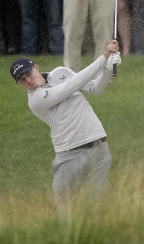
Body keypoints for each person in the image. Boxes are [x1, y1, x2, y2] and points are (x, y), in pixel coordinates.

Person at [10, 38, 121, 208]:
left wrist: (107, 69)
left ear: (36, 68)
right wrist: (103, 58)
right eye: (22, 80)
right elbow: (71, 86)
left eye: (29, 74)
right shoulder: (36, 100)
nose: (29, 81)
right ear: (19, 84)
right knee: (64, 207)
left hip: (99, 147)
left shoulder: (61, 72)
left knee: (100, 204)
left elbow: (95, 88)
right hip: (70, 155)